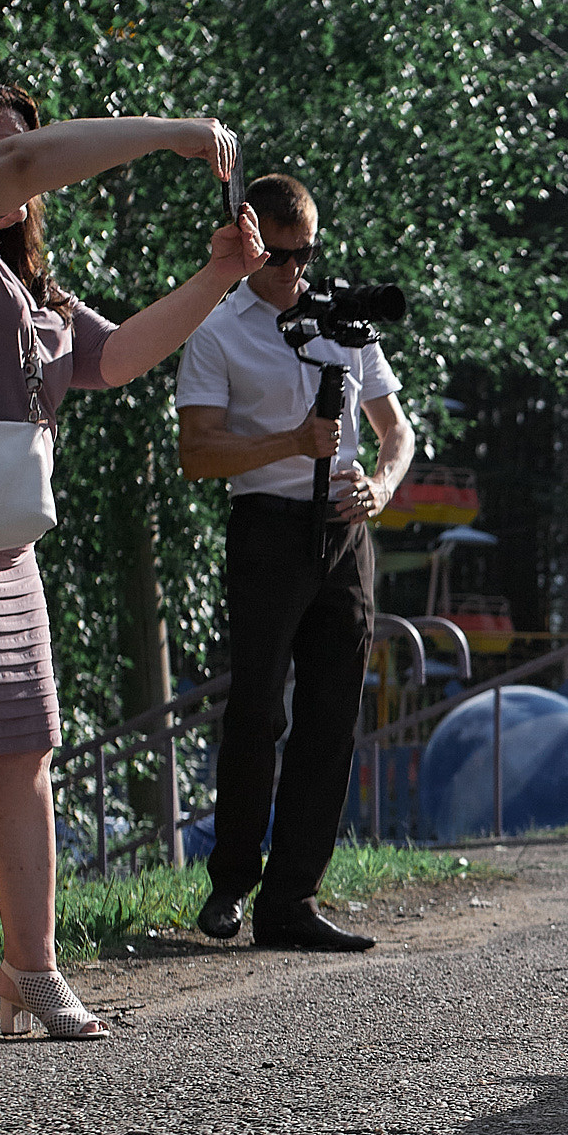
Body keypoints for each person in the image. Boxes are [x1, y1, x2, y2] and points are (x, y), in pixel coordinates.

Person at [0, 81, 261, 1043]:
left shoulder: (23, 281)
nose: (32, 170)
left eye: (31, 150)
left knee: (23, 744)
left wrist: (218, 280)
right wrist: (172, 135)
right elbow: (26, 168)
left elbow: (113, 361)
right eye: (8, 148)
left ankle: (30, 969)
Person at [176, 173, 417, 949]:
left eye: (303, 254)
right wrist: (290, 444)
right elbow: (195, 453)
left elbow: (397, 431)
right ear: (249, 251)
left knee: (332, 716)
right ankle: (231, 884)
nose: (292, 272)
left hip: (346, 533)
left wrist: (381, 484)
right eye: (275, 257)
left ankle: (294, 899)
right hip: (267, 529)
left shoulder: (345, 326)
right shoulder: (217, 332)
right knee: (255, 712)